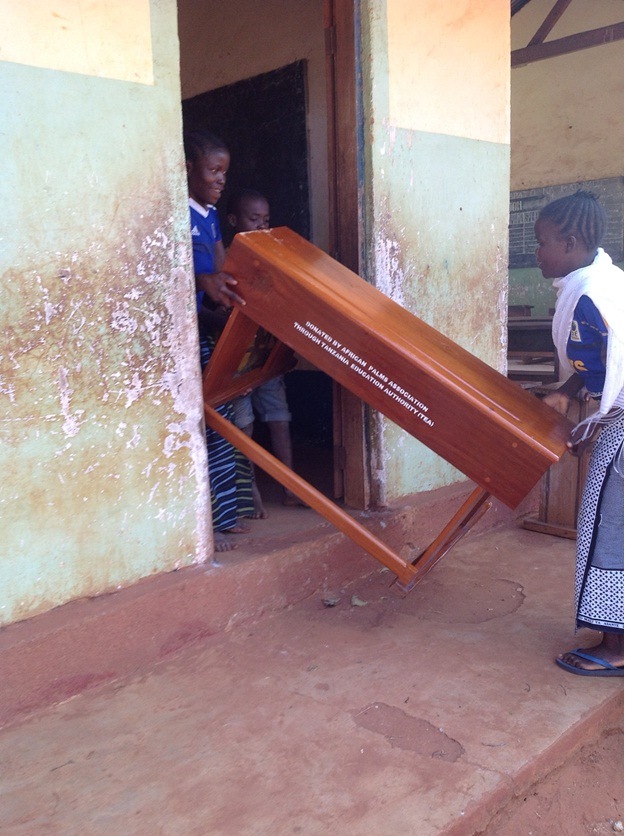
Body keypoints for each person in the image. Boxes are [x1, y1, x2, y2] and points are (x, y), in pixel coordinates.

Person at [535, 190, 624, 677]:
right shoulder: (597, 281)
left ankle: (617, 648)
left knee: (610, 530)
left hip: (622, 426)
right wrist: (568, 393)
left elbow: (615, 370)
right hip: (617, 420)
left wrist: (588, 426)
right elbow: (596, 362)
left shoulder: (594, 295)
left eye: (544, 243)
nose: (538, 253)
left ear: (570, 243)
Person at [184, 131, 256, 552]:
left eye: (224, 172)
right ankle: (208, 523)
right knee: (209, 425)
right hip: (189, 334)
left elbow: (222, 266)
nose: (220, 180)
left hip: (208, 327)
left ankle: (225, 516)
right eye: (213, 170)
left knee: (224, 422)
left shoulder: (209, 216)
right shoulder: (178, 214)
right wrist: (203, 282)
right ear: (188, 169)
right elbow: (174, 274)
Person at [226, 188, 305, 513]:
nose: (261, 227)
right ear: (233, 221)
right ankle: (252, 492)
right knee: (244, 424)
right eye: (252, 219)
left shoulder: (274, 258)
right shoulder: (226, 257)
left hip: (265, 353)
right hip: (235, 360)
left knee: (278, 417)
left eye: (266, 221)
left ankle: (289, 485)